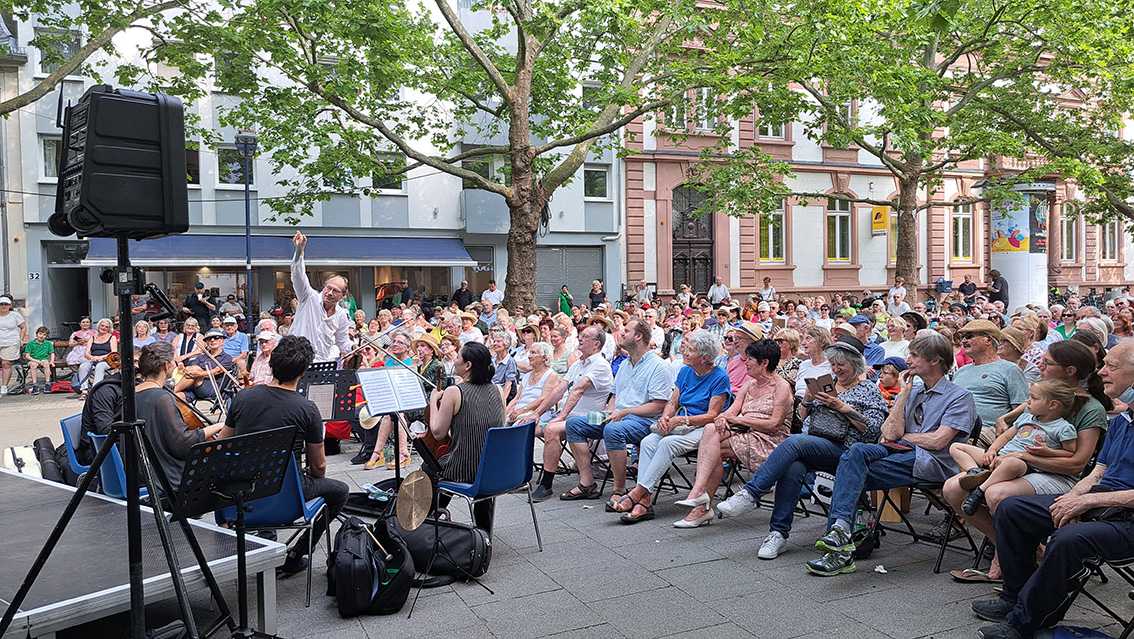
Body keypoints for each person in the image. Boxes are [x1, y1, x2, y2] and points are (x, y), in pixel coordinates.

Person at [970, 340, 1134, 639]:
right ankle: (1014, 595)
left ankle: (1023, 622)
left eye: (1111, 366)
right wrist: (1073, 498)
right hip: (1102, 503)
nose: (1101, 371)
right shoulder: (1124, 420)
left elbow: (1081, 465)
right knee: (1012, 508)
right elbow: (1099, 470)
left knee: (1069, 539)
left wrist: (1086, 502)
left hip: (1127, 517)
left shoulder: (1103, 412)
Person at [804, 332, 976, 576]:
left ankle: (840, 549)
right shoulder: (913, 391)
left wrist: (906, 437)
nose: (908, 360)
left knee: (850, 471)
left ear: (935, 360)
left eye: (914, 355)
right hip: (899, 452)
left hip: (930, 461)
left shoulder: (960, 397)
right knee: (855, 453)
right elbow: (889, 432)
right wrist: (904, 394)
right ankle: (842, 530)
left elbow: (938, 441)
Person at [942, 339, 1110, 584]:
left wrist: (1024, 456)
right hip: (1014, 465)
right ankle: (1021, 553)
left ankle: (1009, 562)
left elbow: (1077, 464)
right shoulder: (1041, 396)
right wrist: (1002, 438)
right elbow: (1014, 427)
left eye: (1048, 363)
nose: (1039, 365)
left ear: (1070, 370)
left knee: (997, 494)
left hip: (1058, 475)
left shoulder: (1090, 409)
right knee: (952, 488)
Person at [218, 335, 348, 577]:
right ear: (303, 372)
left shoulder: (243, 397)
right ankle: (297, 554)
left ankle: (264, 538)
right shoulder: (307, 408)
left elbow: (224, 444)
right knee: (340, 491)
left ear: (272, 364)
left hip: (242, 495)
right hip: (287, 498)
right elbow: (319, 467)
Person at [609, 330, 729, 524]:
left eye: (691, 350)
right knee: (648, 441)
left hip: (703, 427)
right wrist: (666, 417)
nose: (685, 352)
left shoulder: (719, 377)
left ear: (705, 357)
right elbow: (673, 402)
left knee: (668, 444)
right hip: (680, 423)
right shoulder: (685, 371)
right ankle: (645, 502)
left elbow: (712, 415)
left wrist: (681, 420)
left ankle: (638, 493)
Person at [541, 321, 668, 503]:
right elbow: (614, 396)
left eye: (626, 331)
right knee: (574, 424)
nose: (621, 334)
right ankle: (587, 483)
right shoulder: (625, 365)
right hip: (619, 416)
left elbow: (659, 406)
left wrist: (624, 412)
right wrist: (609, 412)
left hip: (644, 420)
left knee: (613, 430)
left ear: (638, 336)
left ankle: (619, 489)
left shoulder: (658, 366)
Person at [674, 339, 792, 528]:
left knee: (712, 449)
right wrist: (722, 418)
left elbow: (773, 424)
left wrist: (739, 420)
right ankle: (698, 495)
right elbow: (730, 412)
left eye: (750, 359)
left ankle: (700, 504)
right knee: (711, 429)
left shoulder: (781, 387)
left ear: (764, 362)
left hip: (771, 441)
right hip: (746, 433)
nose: (746, 362)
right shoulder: (749, 385)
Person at [952, 380, 1080, 516]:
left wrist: (1048, 452)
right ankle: (975, 472)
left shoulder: (1063, 428)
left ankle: (979, 491)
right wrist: (992, 450)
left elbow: (1069, 452)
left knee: (1012, 464)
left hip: (1022, 463)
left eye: (1034, 398)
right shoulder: (1026, 417)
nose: (1028, 401)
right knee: (956, 447)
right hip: (1000, 456)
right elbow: (1006, 436)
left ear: (1052, 405)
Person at [423, 341, 506, 532]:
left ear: (468, 365)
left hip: (466, 470)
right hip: (494, 470)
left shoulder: (454, 392)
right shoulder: (498, 389)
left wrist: (433, 401)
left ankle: (428, 520)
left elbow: (438, 433)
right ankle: (483, 529)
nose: (455, 360)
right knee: (463, 459)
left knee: (431, 467)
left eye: (458, 357)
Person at [535, 326, 616, 501]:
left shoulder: (600, 365)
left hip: (594, 417)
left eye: (585, 336)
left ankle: (546, 484)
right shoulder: (578, 364)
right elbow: (559, 390)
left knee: (552, 429)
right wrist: (537, 413)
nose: (580, 338)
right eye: (580, 335)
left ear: (596, 343)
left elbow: (578, 389)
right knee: (529, 426)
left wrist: (561, 416)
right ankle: (522, 476)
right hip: (573, 417)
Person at [135, 341, 225, 493]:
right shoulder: (163, 398)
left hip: (143, 472)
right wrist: (219, 426)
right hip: (168, 478)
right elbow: (182, 444)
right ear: (166, 365)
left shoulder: (133, 393)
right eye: (173, 361)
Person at [953, 319, 1029, 446]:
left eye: (969, 336)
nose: (964, 341)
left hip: (986, 431)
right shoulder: (961, 371)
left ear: (988, 340)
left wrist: (1005, 421)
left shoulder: (1010, 369)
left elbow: (1023, 409)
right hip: (953, 427)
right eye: (963, 337)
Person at [289, 232, 352, 362]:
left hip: (321, 362)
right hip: (296, 361)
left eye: (335, 291)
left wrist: (354, 348)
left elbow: (343, 342)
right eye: (328, 288)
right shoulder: (308, 297)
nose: (329, 293)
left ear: (343, 295)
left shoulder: (341, 315)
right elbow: (297, 275)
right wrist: (299, 251)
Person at [362, 333, 416, 469]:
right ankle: (378, 453)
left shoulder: (411, 364)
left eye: (400, 342)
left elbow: (409, 388)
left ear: (407, 347)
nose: (395, 344)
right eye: (394, 341)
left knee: (396, 413)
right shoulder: (389, 361)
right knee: (388, 414)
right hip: (392, 400)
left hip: (409, 403)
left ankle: (401, 453)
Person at [506, 341, 560, 426]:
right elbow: (517, 398)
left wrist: (522, 410)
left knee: (516, 426)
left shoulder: (551, 375)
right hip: (518, 412)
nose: (529, 356)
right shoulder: (526, 376)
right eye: (530, 352)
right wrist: (505, 411)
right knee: (498, 423)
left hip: (538, 413)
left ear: (544, 358)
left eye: (533, 353)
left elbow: (543, 398)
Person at [79, 318, 118, 395]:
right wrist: (92, 357)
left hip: (107, 360)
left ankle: (95, 390)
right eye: (102, 325)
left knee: (100, 366)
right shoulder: (92, 337)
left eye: (106, 327)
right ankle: (84, 390)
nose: (103, 328)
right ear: (98, 326)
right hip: (93, 359)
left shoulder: (112, 338)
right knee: (83, 366)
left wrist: (101, 358)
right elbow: (86, 353)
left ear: (109, 329)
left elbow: (113, 353)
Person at [722, 323, 763, 393]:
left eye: (739, 338)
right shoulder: (734, 361)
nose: (735, 341)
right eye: (735, 338)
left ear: (752, 341)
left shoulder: (760, 363)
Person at [795, 326, 833, 398]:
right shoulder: (803, 364)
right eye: (803, 339)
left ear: (822, 341)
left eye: (808, 338)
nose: (803, 343)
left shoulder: (831, 366)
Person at [0, 296, 26, 396]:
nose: (3, 306)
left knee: (6, 363)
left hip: (11, 342)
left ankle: (4, 386)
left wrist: (21, 339)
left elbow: (23, 327)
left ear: (10, 305)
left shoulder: (15, 315)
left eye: (6, 304)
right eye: (1, 304)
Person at [22, 326, 55, 395]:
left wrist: (51, 361)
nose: (42, 336)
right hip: (33, 359)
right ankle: (35, 385)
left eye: (44, 335)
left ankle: (47, 383)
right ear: (36, 334)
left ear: (46, 336)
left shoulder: (48, 343)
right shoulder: (30, 344)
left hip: (43, 359)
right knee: (33, 365)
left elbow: (52, 353)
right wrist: (36, 361)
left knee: (46, 363)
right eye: (40, 334)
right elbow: (27, 356)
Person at [489, 330, 518, 403]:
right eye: (494, 341)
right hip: (489, 392)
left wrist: (501, 402)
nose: (495, 343)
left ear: (506, 344)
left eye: (498, 341)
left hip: (500, 395)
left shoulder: (510, 361)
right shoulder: (492, 360)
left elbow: (508, 385)